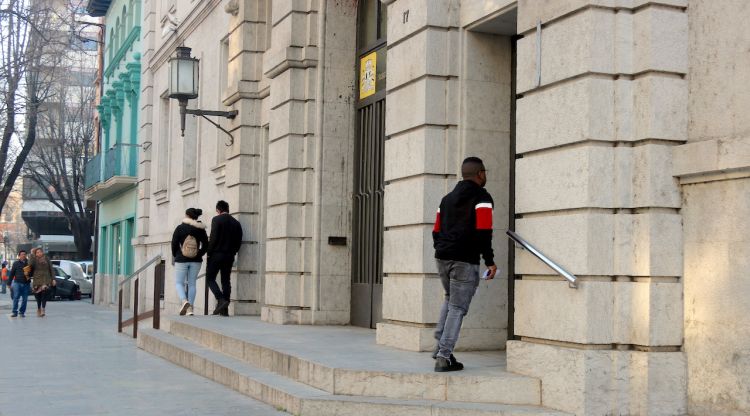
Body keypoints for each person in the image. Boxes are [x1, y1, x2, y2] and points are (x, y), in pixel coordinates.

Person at [431, 157, 497, 372]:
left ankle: (439, 346)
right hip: (464, 260)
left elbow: (436, 230)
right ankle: (444, 355)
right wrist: (489, 261)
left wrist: (442, 248)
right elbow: (484, 231)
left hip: (442, 257)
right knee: (458, 307)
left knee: (451, 300)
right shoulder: (482, 197)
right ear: (480, 174)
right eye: (484, 172)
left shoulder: (446, 199)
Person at [206, 200, 243, 316]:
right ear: (228, 209)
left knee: (210, 278)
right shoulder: (236, 223)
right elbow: (239, 240)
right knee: (226, 280)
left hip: (216, 254)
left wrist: (209, 252)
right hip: (229, 255)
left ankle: (220, 299)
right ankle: (224, 310)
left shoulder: (216, 220)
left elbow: (213, 238)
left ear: (218, 210)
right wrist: (233, 251)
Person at [171, 207, 209, 316]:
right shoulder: (201, 229)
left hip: (181, 259)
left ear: (187, 215)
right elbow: (206, 244)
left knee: (179, 283)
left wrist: (176, 255)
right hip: (196, 260)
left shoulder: (180, 228)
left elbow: (174, 243)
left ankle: (184, 301)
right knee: (192, 284)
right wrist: (199, 253)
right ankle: (190, 309)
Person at [29, 247, 55, 317]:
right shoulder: (34, 259)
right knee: (38, 296)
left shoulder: (46, 259)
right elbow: (30, 265)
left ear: (42, 252)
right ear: (36, 254)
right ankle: (39, 308)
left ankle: (43, 309)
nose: (39, 253)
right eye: (37, 252)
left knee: (44, 294)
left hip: (46, 279)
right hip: (37, 280)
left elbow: (51, 269)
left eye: (40, 252)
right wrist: (31, 255)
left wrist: (53, 279)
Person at [8, 250, 30, 318]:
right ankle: (14, 312)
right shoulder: (16, 263)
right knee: (16, 298)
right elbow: (12, 273)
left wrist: (29, 274)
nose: (23, 255)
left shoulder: (29, 263)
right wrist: (9, 283)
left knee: (25, 299)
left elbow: (32, 273)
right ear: (19, 256)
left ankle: (22, 312)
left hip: (26, 283)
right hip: (17, 282)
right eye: (22, 254)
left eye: (24, 254)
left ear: (26, 255)